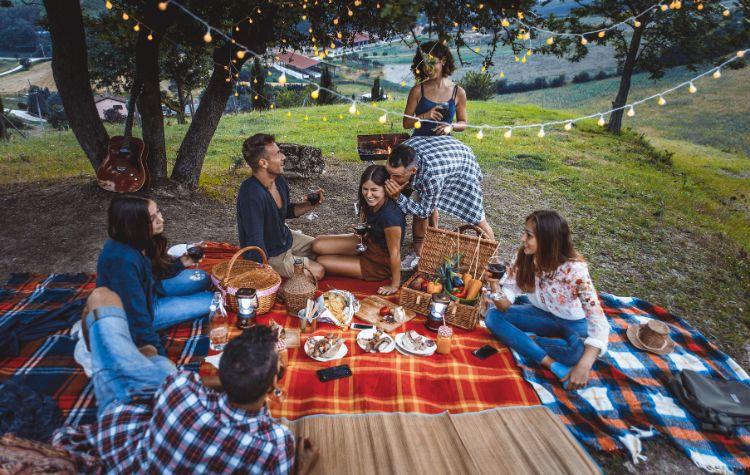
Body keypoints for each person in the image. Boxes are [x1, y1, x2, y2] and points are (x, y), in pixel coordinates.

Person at [54, 288, 319, 474]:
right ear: (274, 384)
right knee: (154, 360)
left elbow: (183, 383)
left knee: (110, 308)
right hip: (136, 407)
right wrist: (305, 464)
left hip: (125, 428)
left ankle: (106, 358)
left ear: (221, 369)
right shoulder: (275, 443)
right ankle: (114, 360)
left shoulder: (181, 390)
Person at [484, 210, 610, 391]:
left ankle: (524, 339)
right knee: (492, 317)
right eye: (524, 233)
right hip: (541, 315)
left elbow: (598, 320)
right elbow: (504, 304)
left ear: (547, 240)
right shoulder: (525, 257)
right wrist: (495, 285)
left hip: (574, 322)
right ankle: (552, 364)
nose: (522, 239)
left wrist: (584, 366)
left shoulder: (575, 270)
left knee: (577, 354)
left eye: (529, 235)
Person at [94, 195, 213, 357]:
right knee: (212, 300)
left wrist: (183, 262)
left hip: (151, 290)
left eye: (158, 212)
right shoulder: (122, 262)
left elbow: (153, 273)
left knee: (203, 278)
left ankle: (175, 296)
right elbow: (137, 317)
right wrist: (160, 359)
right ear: (134, 224)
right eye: (152, 218)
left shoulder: (138, 239)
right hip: (145, 311)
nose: (161, 219)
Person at [384, 140, 494, 270]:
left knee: (477, 216)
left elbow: (424, 211)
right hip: (442, 154)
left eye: (396, 176)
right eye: (388, 173)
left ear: (413, 170)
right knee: (425, 200)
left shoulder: (431, 177)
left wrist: (398, 197)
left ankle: (493, 261)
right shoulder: (405, 150)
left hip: (463, 162)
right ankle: (424, 247)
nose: (390, 179)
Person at [237, 133, 325, 280]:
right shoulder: (251, 195)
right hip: (271, 254)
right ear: (263, 163)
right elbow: (255, 241)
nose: (283, 157)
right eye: (278, 153)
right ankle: (294, 262)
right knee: (319, 270)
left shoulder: (279, 181)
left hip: (285, 238)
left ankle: (298, 258)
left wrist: (309, 204)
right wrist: (263, 273)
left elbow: (282, 212)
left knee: (322, 248)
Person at [312, 165, 406, 295]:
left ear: (386, 189)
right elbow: (368, 225)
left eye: (374, 190)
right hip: (366, 243)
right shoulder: (368, 203)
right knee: (317, 244)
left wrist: (395, 285)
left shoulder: (391, 218)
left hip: (376, 264)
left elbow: (395, 254)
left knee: (321, 261)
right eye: (365, 189)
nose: (368, 194)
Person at [403, 41, 468, 137]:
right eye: (424, 64)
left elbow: (463, 123)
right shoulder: (417, 91)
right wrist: (425, 116)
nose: (428, 68)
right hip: (420, 141)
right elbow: (406, 124)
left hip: (445, 143)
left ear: (443, 61)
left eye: (432, 63)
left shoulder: (458, 92)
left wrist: (451, 126)